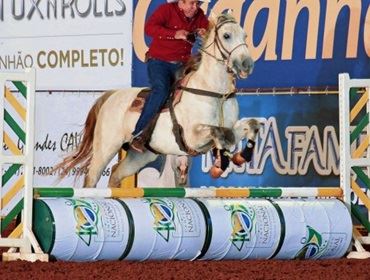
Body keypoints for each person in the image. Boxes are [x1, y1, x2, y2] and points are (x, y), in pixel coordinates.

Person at [130, 0, 209, 153]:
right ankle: (139, 134)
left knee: (196, 88)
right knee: (161, 90)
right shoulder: (166, 10)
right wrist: (174, 34)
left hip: (182, 64)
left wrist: (205, 32)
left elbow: (207, 28)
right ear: (181, 2)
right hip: (159, 62)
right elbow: (149, 28)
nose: (195, 7)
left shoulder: (199, 15)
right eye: (192, 3)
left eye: (197, 4)